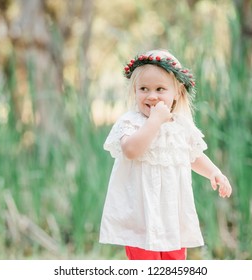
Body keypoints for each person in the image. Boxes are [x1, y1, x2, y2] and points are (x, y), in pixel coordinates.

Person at [99, 49, 232, 260]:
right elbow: (131, 150)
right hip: (141, 216)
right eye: (144, 88)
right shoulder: (130, 122)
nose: (152, 96)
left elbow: (193, 156)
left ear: (177, 93)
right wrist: (155, 121)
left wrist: (214, 172)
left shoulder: (181, 126)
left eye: (160, 89)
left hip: (172, 216)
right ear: (135, 91)